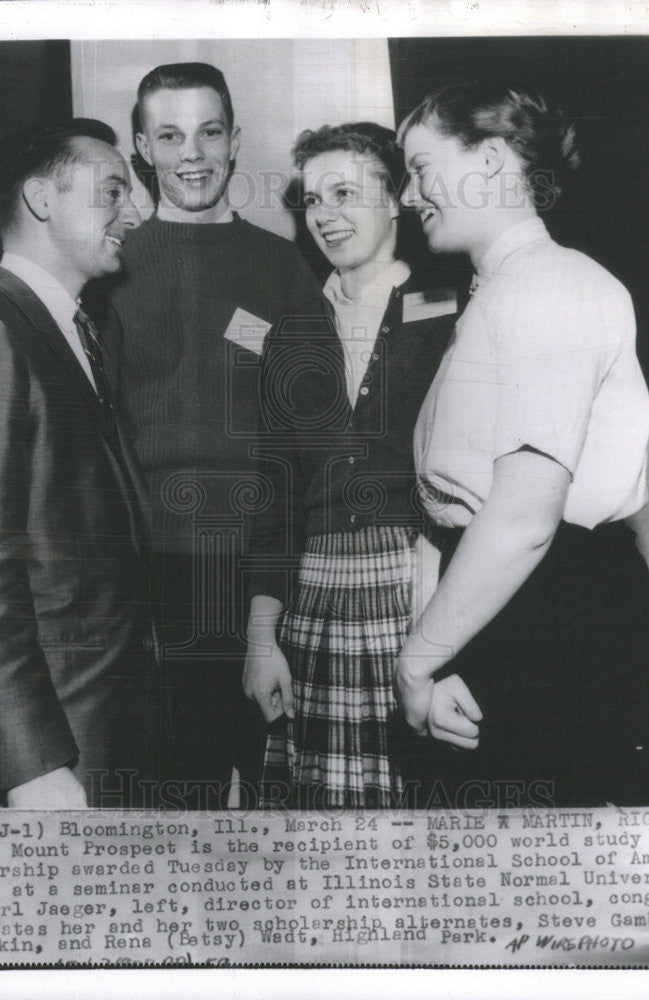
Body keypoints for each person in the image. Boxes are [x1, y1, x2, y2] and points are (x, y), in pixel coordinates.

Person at [394, 80, 649, 808]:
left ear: (488, 162)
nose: (406, 196)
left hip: (554, 619)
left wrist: (415, 662)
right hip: (517, 609)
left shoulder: (550, 287)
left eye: (420, 169)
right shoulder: (507, 289)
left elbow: (520, 518)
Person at [96, 63, 320, 808]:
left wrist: (264, 621)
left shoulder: (280, 266)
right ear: (141, 150)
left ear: (233, 141)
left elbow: (293, 457)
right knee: (141, 808)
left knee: (251, 816)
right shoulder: (106, 266)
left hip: (244, 578)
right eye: (169, 135)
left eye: (209, 132)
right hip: (127, 581)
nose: (191, 154)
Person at [243, 122, 457, 808]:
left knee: (426, 813)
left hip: (428, 590)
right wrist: (260, 639)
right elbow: (273, 493)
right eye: (312, 200)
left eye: (344, 193)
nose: (325, 216)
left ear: (394, 198)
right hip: (314, 600)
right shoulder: (288, 332)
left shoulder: (455, 307)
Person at [0, 120, 162, 809]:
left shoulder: (83, 330)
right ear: (43, 198)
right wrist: (29, 762)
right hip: (60, 751)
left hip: (112, 730)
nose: (133, 214)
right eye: (113, 191)